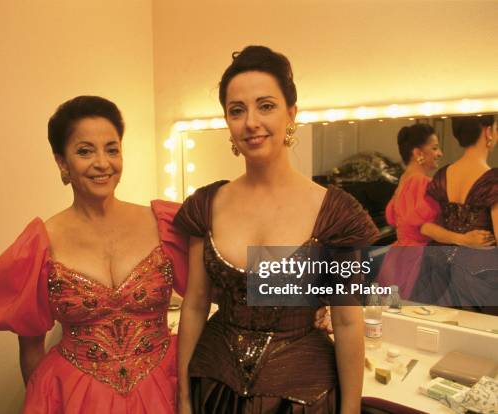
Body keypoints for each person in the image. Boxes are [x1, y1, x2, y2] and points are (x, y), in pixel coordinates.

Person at [175, 46, 379, 414]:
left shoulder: (335, 215)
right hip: (215, 390)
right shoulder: (206, 206)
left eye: (265, 106)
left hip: (302, 398)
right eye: (237, 111)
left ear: (292, 113)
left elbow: (347, 322)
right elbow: (194, 306)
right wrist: (184, 397)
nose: (250, 122)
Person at [0, 96, 189, 413]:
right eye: (85, 151)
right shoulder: (40, 243)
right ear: (63, 162)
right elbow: (31, 346)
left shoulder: (165, 223)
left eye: (112, 149)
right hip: (78, 395)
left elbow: (221, 286)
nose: (102, 163)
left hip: (165, 386)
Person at [376, 124, 494, 299]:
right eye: (435, 148)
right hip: (418, 261)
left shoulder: (404, 180)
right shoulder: (421, 183)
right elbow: (426, 228)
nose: (440, 153)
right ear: (418, 153)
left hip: (398, 258)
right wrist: (464, 239)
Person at [411, 114, 498, 311]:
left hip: (439, 266)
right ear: (488, 132)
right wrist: (467, 240)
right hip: (479, 274)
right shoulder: (494, 180)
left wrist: (459, 238)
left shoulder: (442, 175)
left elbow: (425, 226)